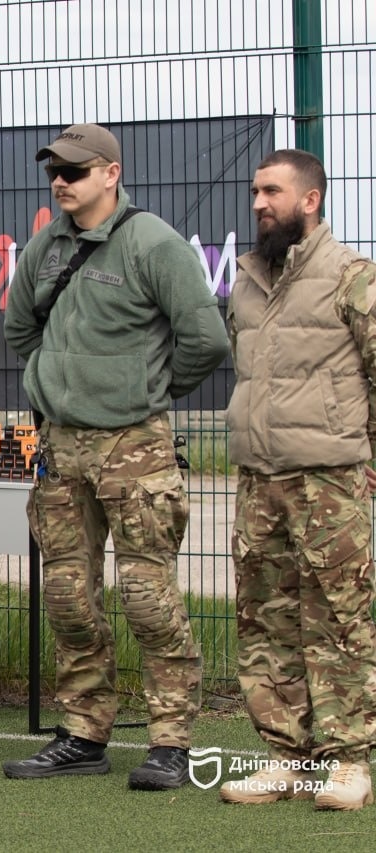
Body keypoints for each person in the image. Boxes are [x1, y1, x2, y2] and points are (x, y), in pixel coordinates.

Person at [1, 123, 229, 789]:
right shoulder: (46, 246)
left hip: (135, 447)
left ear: (112, 173)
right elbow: (19, 327)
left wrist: (146, 389)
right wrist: (59, 382)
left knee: (147, 596)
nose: (61, 181)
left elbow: (205, 339)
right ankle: (82, 732)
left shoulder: (152, 243)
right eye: (55, 170)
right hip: (61, 448)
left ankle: (171, 743)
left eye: (75, 169)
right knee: (70, 595)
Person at [218, 149, 376, 810]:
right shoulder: (249, 279)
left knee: (339, 617)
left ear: (310, 199)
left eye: (273, 191)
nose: (259, 202)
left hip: (330, 479)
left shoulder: (351, 276)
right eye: (256, 190)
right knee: (266, 618)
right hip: (260, 478)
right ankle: (285, 755)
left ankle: (348, 760)